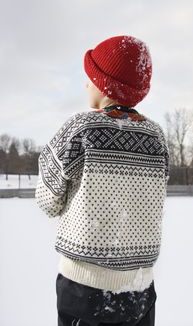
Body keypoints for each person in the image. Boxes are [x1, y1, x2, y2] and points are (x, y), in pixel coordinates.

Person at [35, 34, 170, 326]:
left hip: (85, 288)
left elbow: (47, 199)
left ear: (105, 84)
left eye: (89, 77)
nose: (86, 84)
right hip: (140, 290)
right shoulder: (157, 137)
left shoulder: (82, 127)